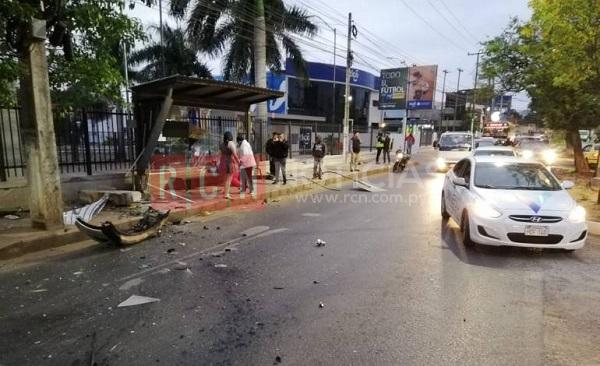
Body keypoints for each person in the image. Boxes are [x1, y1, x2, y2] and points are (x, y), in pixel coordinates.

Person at [220, 131, 238, 199]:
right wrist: (238, 162)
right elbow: (234, 154)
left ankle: (225, 192)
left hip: (223, 161)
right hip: (229, 162)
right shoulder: (231, 143)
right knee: (229, 179)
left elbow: (221, 154)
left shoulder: (221, 144)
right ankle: (226, 194)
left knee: (225, 178)